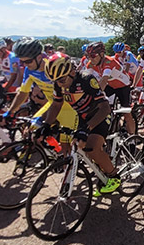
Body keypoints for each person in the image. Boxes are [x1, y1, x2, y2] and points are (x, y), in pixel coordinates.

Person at [42, 57, 121, 196]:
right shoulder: (59, 84)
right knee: (78, 146)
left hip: (99, 115)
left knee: (92, 148)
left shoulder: (86, 80)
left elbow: (104, 108)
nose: (59, 84)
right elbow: (56, 105)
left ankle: (114, 176)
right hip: (82, 117)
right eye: (56, 81)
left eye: (62, 80)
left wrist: (87, 128)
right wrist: (47, 124)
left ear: (72, 72)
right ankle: (102, 164)